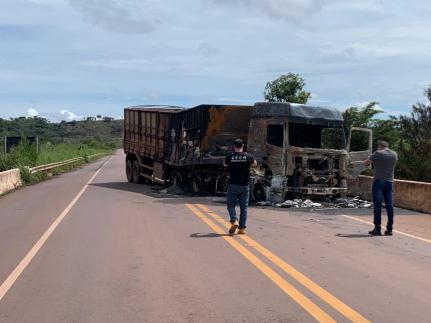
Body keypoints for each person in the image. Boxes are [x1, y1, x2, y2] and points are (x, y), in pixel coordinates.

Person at [363, 140, 398, 236]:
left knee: (377, 206)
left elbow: (366, 163)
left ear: (380, 146)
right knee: (390, 206)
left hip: (379, 182)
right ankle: (389, 229)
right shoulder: (394, 154)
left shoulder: (378, 153)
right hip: (390, 182)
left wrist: (368, 159)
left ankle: (377, 229)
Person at [224, 139, 257, 235]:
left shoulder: (229, 157)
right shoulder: (249, 156)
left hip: (233, 185)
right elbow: (255, 164)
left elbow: (224, 163)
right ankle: (242, 229)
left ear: (234, 146)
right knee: (244, 208)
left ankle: (234, 220)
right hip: (245, 186)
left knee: (231, 205)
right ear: (243, 145)